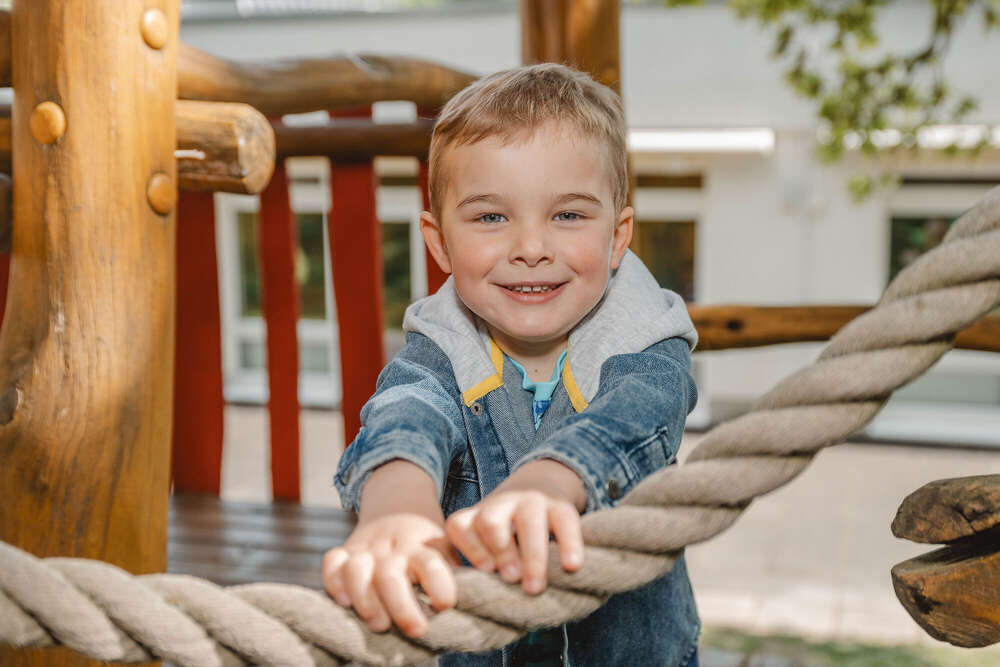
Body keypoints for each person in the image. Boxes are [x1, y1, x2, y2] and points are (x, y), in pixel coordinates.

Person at [322, 63, 700, 667]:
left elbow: (641, 413)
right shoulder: (446, 344)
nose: (530, 247)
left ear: (618, 235)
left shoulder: (644, 339)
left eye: (569, 215)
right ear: (439, 242)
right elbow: (408, 406)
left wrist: (553, 477)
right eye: (491, 217)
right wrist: (395, 506)